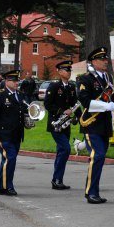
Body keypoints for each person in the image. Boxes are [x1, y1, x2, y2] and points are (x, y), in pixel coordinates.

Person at [78, 47, 114, 204]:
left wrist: (112, 108)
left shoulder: (109, 78)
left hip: (105, 125)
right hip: (91, 123)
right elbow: (85, 101)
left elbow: (111, 99)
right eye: (102, 59)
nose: (105, 61)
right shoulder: (85, 79)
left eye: (106, 59)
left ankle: (94, 191)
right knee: (98, 155)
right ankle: (91, 192)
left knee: (100, 159)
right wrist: (105, 106)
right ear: (94, 61)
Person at [0, 69, 29, 196]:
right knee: (10, 158)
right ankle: (7, 186)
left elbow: (23, 112)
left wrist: (28, 121)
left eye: (17, 80)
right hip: (4, 134)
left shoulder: (20, 95)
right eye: (14, 80)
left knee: (8, 160)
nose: (17, 83)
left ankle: (2, 186)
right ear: (6, 81)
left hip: (16, 134)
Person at [44, 61, 81, 190]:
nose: (69, 72)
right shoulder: (54, 86)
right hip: (56, 124)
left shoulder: (71, 87)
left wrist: (79, 117)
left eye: (70, 70)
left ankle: (57, 180)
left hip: (66, 124)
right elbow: (48, 105)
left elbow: (74, 103)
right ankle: (57, 179)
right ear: (59, 72)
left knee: (61, 151)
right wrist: (61, 111)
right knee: (65, 149)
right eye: (66, 70)